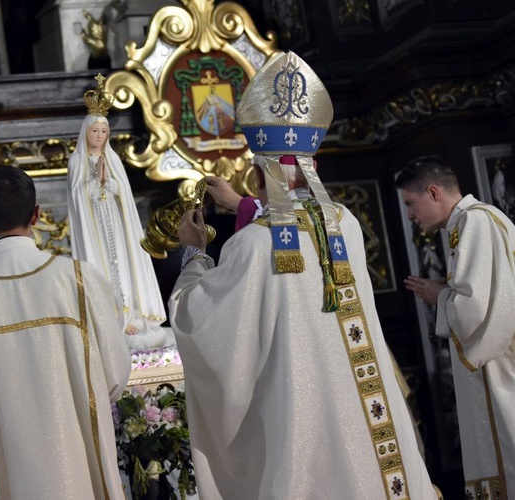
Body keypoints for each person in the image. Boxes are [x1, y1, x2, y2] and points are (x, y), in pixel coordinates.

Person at [168, 51, 437, 498]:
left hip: (304, 415)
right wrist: (244, 206)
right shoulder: (345, 224)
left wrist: (195, 253)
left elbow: (204, 325)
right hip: (366, 413)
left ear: (257, 175)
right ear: (314, 167)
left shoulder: (252, 244)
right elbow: (294, 216)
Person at [0, 165, 131, 499]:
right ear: (36, 215)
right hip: (82, 455)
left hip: (4, 465)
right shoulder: (78, 279)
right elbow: (115, 374)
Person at [398, 156, 515, 499]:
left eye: (411, 204)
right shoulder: (477, 221)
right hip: (504, 365)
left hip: (505, 372)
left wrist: (441, 298)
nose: (411, 216)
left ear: (433, 192)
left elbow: (480, 309)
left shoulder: (475, 222)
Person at [67, 74, 169, 351]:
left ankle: (133, 315)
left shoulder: (112, 159)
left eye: (103, 131)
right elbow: (77, 197)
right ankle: (111, 318)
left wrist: (107, 182)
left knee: (123, 265)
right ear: (85, 133)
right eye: (94, 131)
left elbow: (122, 192)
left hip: (115, 222)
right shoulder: (77, 161)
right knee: (102, 268)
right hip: (94, 226)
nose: (99, 136)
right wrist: (93, 182)